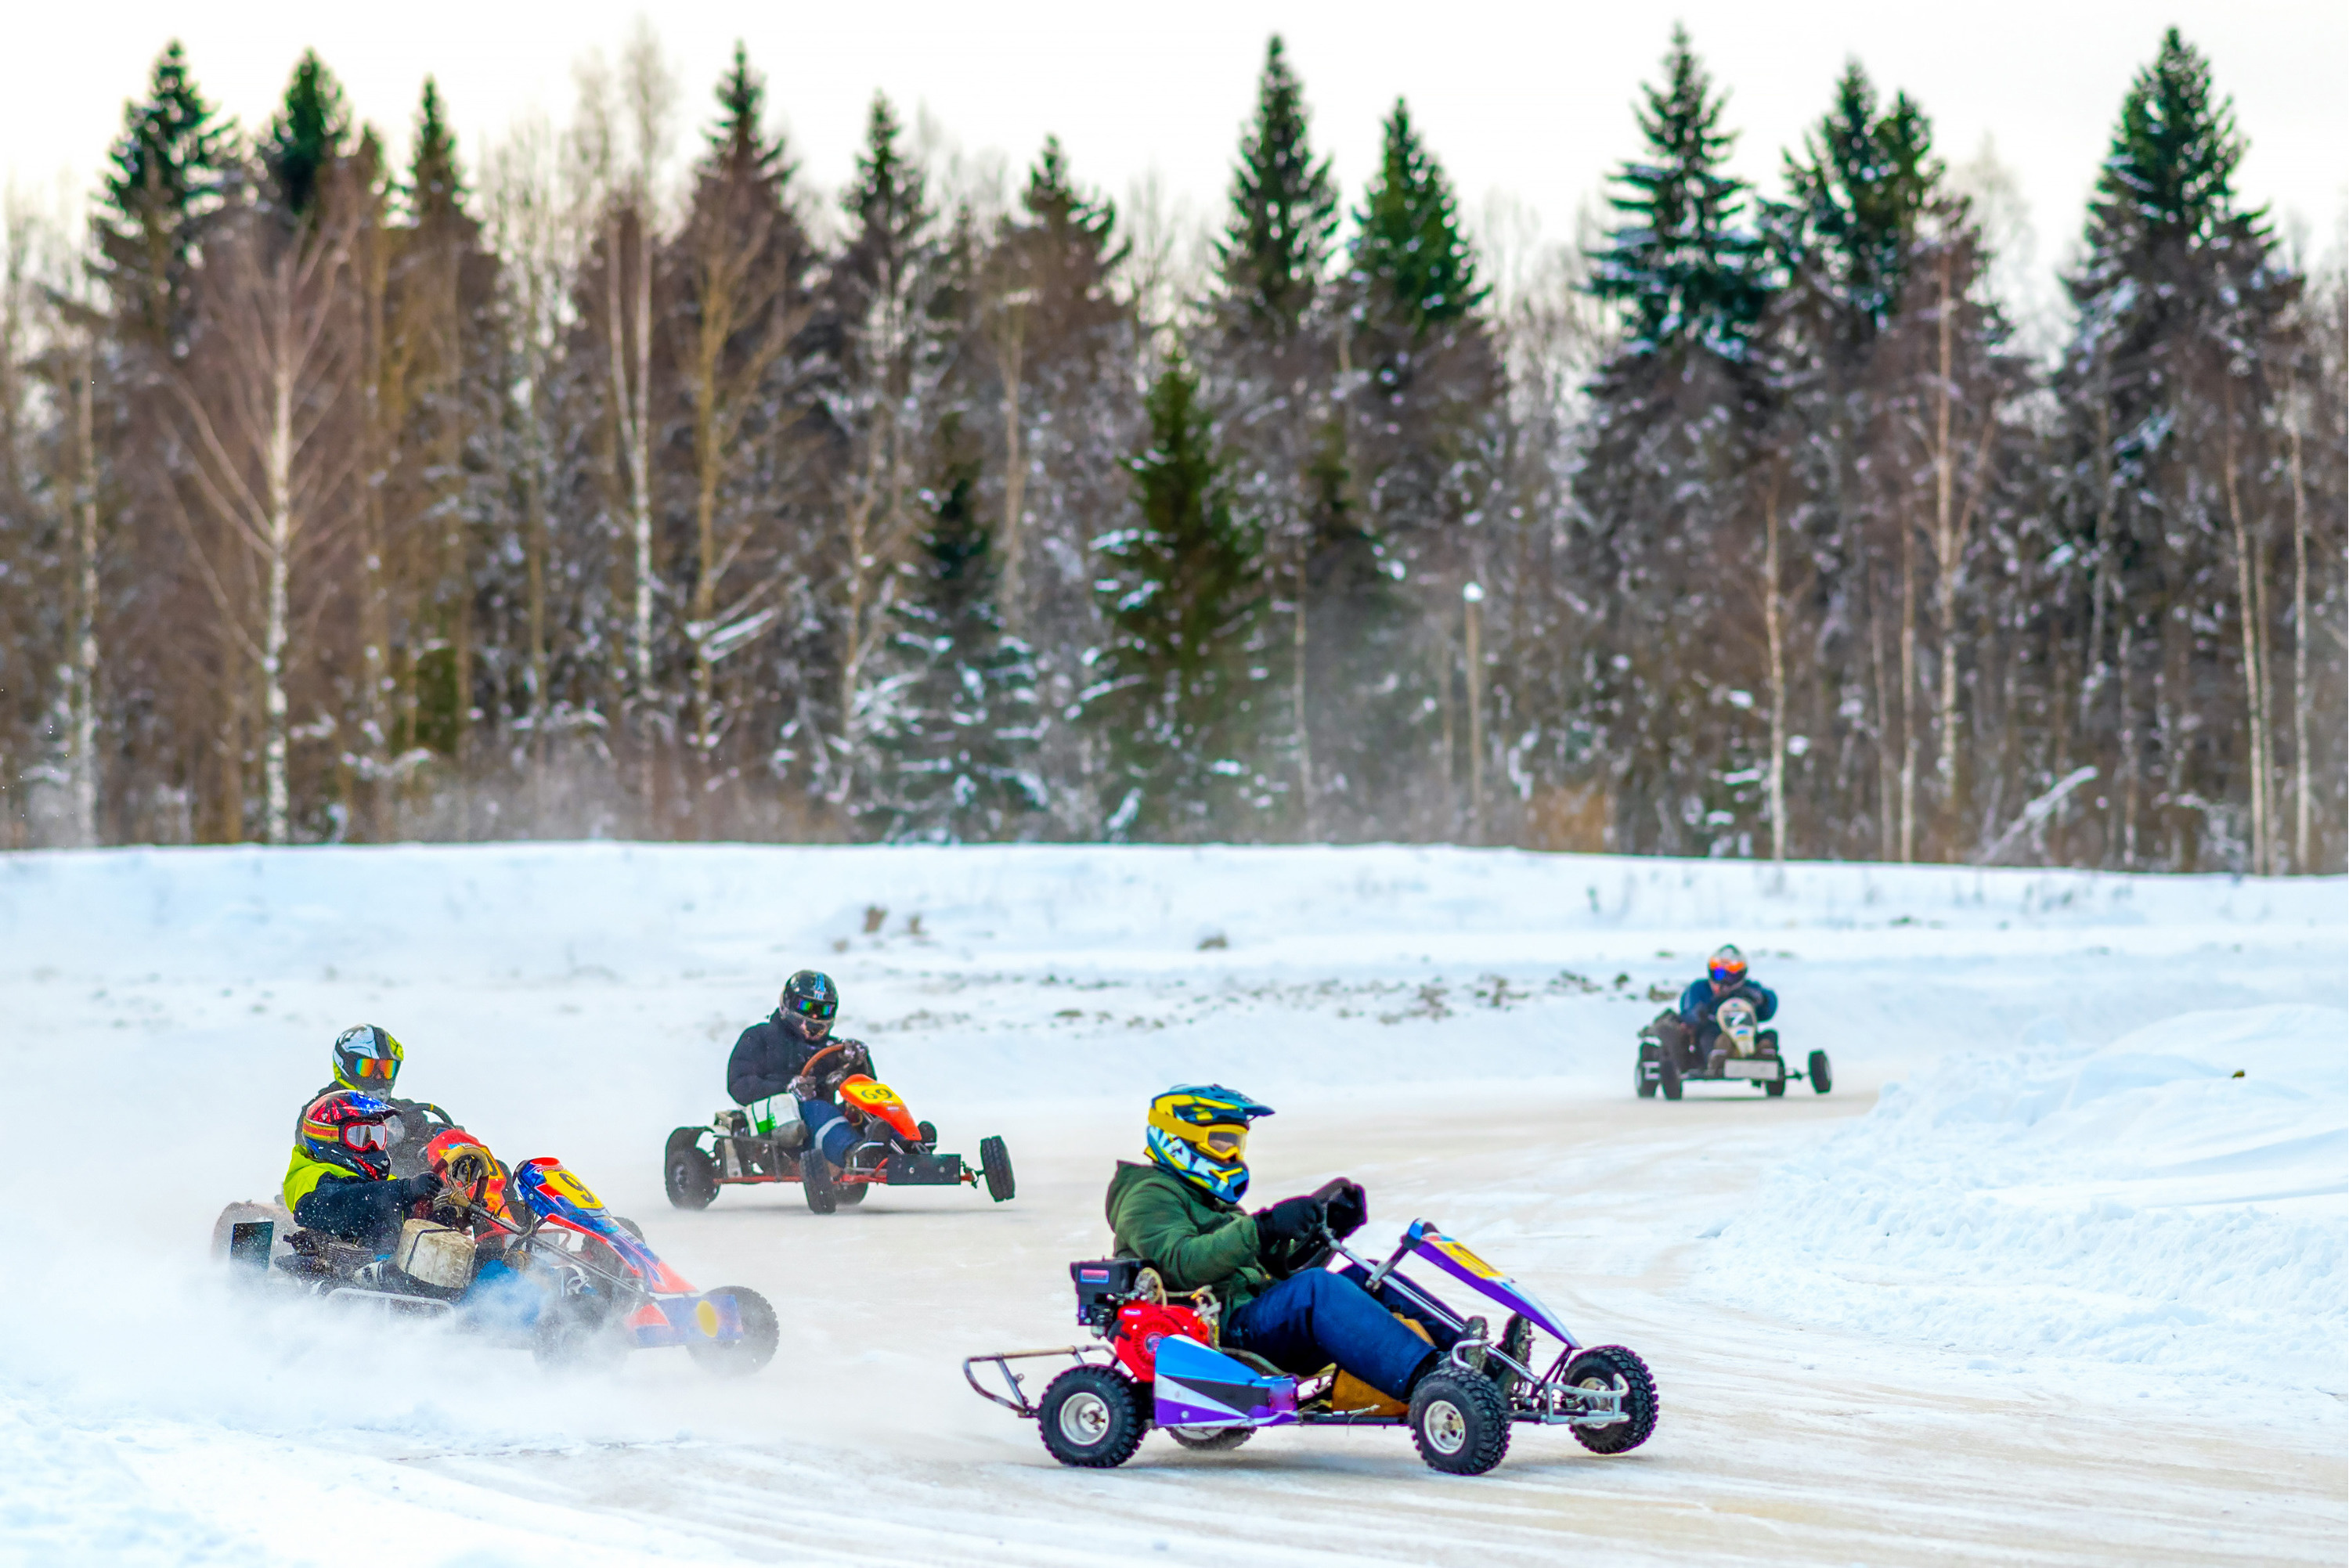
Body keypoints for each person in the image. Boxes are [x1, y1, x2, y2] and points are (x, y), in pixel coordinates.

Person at [1104, 1084, 1481, 1408]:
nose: (1233, 1154)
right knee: (1317, 1288)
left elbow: (1282, 1274)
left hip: (1253, 1317)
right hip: (1219, 1333)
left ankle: (1470, 1356)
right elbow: (1182, 1263)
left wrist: (1327, 1229)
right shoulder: (1148, 1197)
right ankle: (1434, 1379)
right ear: (1178, 1141)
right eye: (1221, 1142)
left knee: (1368, 1274)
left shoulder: (1211, 1200)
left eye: (1237, 1143)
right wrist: (1263, 1227)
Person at [725, 970, 876, 1171]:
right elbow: (739, 1084)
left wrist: (857, 1062)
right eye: (806, 1007)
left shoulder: (832, 1048)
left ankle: (905, 1144)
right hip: (778, 1122)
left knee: (864, 1107)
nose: (814, 1017)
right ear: (788, 1003)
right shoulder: (761, 1036)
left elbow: (866, 1087)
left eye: (823, 1011)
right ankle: (853, 1154)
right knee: (817, 1109)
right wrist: (786, 1088)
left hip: (823, 1122)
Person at [282, 1089, 444, 1252]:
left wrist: (434, 1217)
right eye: (360, 1136)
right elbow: (345, 1204)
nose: (373, 1145)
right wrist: (405, 1190)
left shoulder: (380, 1183)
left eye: (377, 1135)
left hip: (389, 1265)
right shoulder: (308, 1176)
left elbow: (393, 1212)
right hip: (343, 1271)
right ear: (328, 1138)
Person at [301, 1024, 457, 1177]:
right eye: (369, 1068)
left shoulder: (403, 1110)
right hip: (350, 1196)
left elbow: (423, 1129)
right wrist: (412, 1158)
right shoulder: (322, 1110)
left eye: (386, 1069)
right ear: (345, 1065)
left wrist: (444, 1137)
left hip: (407, 1195)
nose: (379, 1077)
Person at [1670, 943, 1779, 1070]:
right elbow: (1686, 1012)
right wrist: (1698, 1014)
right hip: (1712, 1030)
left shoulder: (1749, 989)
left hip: (1746, 1034)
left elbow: (1769, 1008)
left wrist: (1763, 999)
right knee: (1709, 1037)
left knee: (1770, 1035)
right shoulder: (1700, 989)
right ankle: (1719, 1057)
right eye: (1720, 974)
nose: (1725, 982)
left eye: (1731, 975)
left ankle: (1764, 1055)